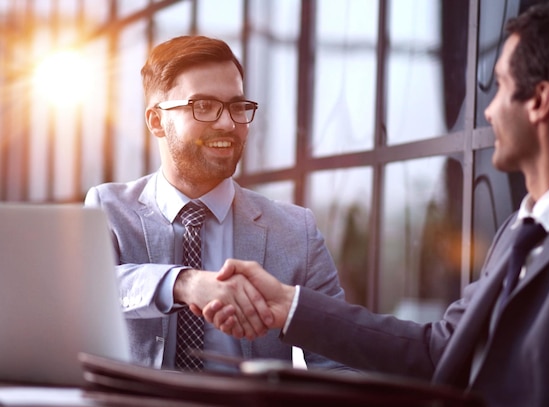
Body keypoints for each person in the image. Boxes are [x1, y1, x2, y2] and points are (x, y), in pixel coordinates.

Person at [203, 1, 549, 405]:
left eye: (500, 86)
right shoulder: (521, 227)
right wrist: (288, 305)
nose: (488, 110)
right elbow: (438, 351)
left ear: (539, 101)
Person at [84, 35, 350, 372]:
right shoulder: (109, 209)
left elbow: (338, 361)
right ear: (156, 121)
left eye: (237, 106)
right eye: (204, 106)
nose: (227, 123)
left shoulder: (297, 232)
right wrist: (184, 284)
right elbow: (90, 291)